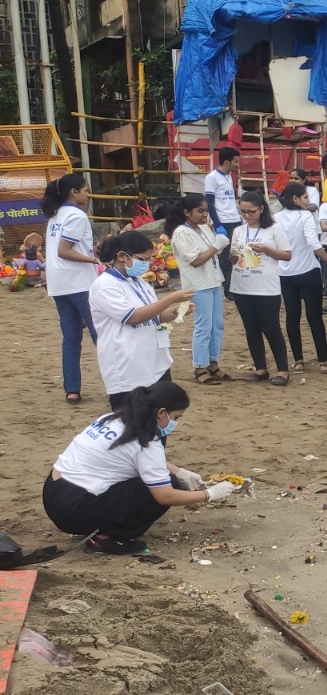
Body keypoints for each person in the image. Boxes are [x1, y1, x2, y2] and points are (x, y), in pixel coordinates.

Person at [42, 382, 237, 555]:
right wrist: (209, 494)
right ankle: (106, 538)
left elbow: (131, 457)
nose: (176, 423)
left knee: (165, 477)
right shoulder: (147, 442)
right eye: (176, 417)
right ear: (161, 413)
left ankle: (99, 524)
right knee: (166, 485)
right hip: (74, 511)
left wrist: (179, 470)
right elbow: (165, 496)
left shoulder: (111, 418)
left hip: (53, 492)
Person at [89, 231, 192, 409]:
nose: (147, 264)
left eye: (149, 259)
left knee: (161, 415)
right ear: (122, 256)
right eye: (142, 259)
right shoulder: (104, 285)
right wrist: (170, 299)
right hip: (127, 364)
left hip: (155, 361)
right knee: (132, 420)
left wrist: (176, 311)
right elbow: (133, 317)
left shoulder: (140, 282)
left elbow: (155, 316)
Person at [44, 173, 102, 404]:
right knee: (101, 335)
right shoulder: (77, 216)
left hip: (59, 283)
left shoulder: (55, 214)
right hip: (79, 282)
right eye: (86, 190)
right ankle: (119, 385)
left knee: (70, 338)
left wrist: (89, 252)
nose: (89, 194)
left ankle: (72, 389)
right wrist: (94, 260)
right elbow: (64, 251)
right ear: (74, 192)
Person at [165, 194, 231, 385]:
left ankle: (213, 362)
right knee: (203, 326)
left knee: (217, 324)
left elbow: (213, 251)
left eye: (206, 211)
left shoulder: (203, 228)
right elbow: (196, 260)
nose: (204, 215)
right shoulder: (181, 233)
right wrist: (217, 245)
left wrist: (219, 245)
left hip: (213, 280)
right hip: (198, 284)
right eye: (200, 211)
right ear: (187, 212)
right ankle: (200, 366)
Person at [230, 192, 293, 385]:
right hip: (242, 285)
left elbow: (287, 255)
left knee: (271, 328)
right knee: (251, 328)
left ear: (261, 209)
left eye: (251, 211)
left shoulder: (273, 229)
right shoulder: (239, 231)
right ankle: (260, 368)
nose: (247, 215)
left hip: (266, 286)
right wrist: (233, 254)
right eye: (243, 212)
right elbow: (233, 259)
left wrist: (266, 249)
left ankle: (283, 370)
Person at [275, 183, 327, 374]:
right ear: (295, 199)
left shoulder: (276, 218)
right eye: (305, 197)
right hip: (308, 271)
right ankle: (323, 362)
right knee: (314, 316)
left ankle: (298, 360)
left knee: (292, 316)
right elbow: (313, 243)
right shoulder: (305, 216)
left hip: (285, 273)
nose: (308, 201)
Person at [205, 148, 242, 294]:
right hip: (224, 221)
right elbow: (209, 203)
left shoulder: (229, 176)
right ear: (227, 162)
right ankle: (228, 289)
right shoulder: (212, 178)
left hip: (235, 219)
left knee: (238, 252)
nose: (237, 165)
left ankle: (237, 284)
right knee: (227, 256)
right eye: (235, 162)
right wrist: (218, 224)